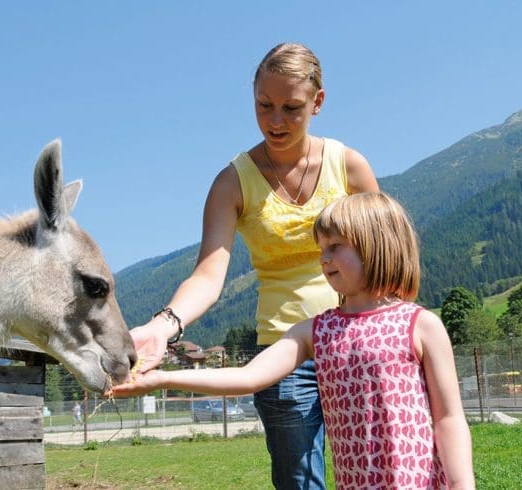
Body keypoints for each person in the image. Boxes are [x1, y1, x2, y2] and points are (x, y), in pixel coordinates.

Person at [128, 42, 379, 488]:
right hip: (282, 353)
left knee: (377, 469)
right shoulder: (232, 182)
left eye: (291, 107)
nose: (275, 120)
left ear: (317, 103)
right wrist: (164, 326)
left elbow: (384, 258)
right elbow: (208, 274)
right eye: (264, 105)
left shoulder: (350, 167)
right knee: (299, 480)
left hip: (355, 340)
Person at [113, 192, 475, 489]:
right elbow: (247, 377)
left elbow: (448, 417)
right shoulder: (314, 332)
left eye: (335, 246)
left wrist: (462, 484)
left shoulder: (421, 325)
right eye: (321, 249)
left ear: (376, 245)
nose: (324, 259)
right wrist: (162, 379)